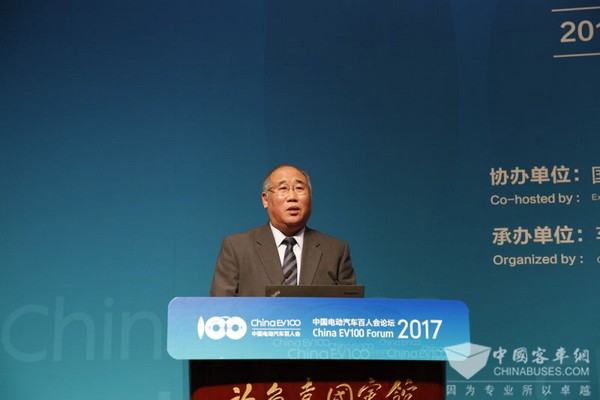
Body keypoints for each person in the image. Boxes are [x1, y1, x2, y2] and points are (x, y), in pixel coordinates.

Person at [210, 164, 356, 296]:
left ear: (310, 198)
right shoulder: (237, 247)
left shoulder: (336, 250)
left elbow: (351, 309)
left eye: (299, 188)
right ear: (265, 200)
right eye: (283, 189)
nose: (292, 197)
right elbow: (219, 308)